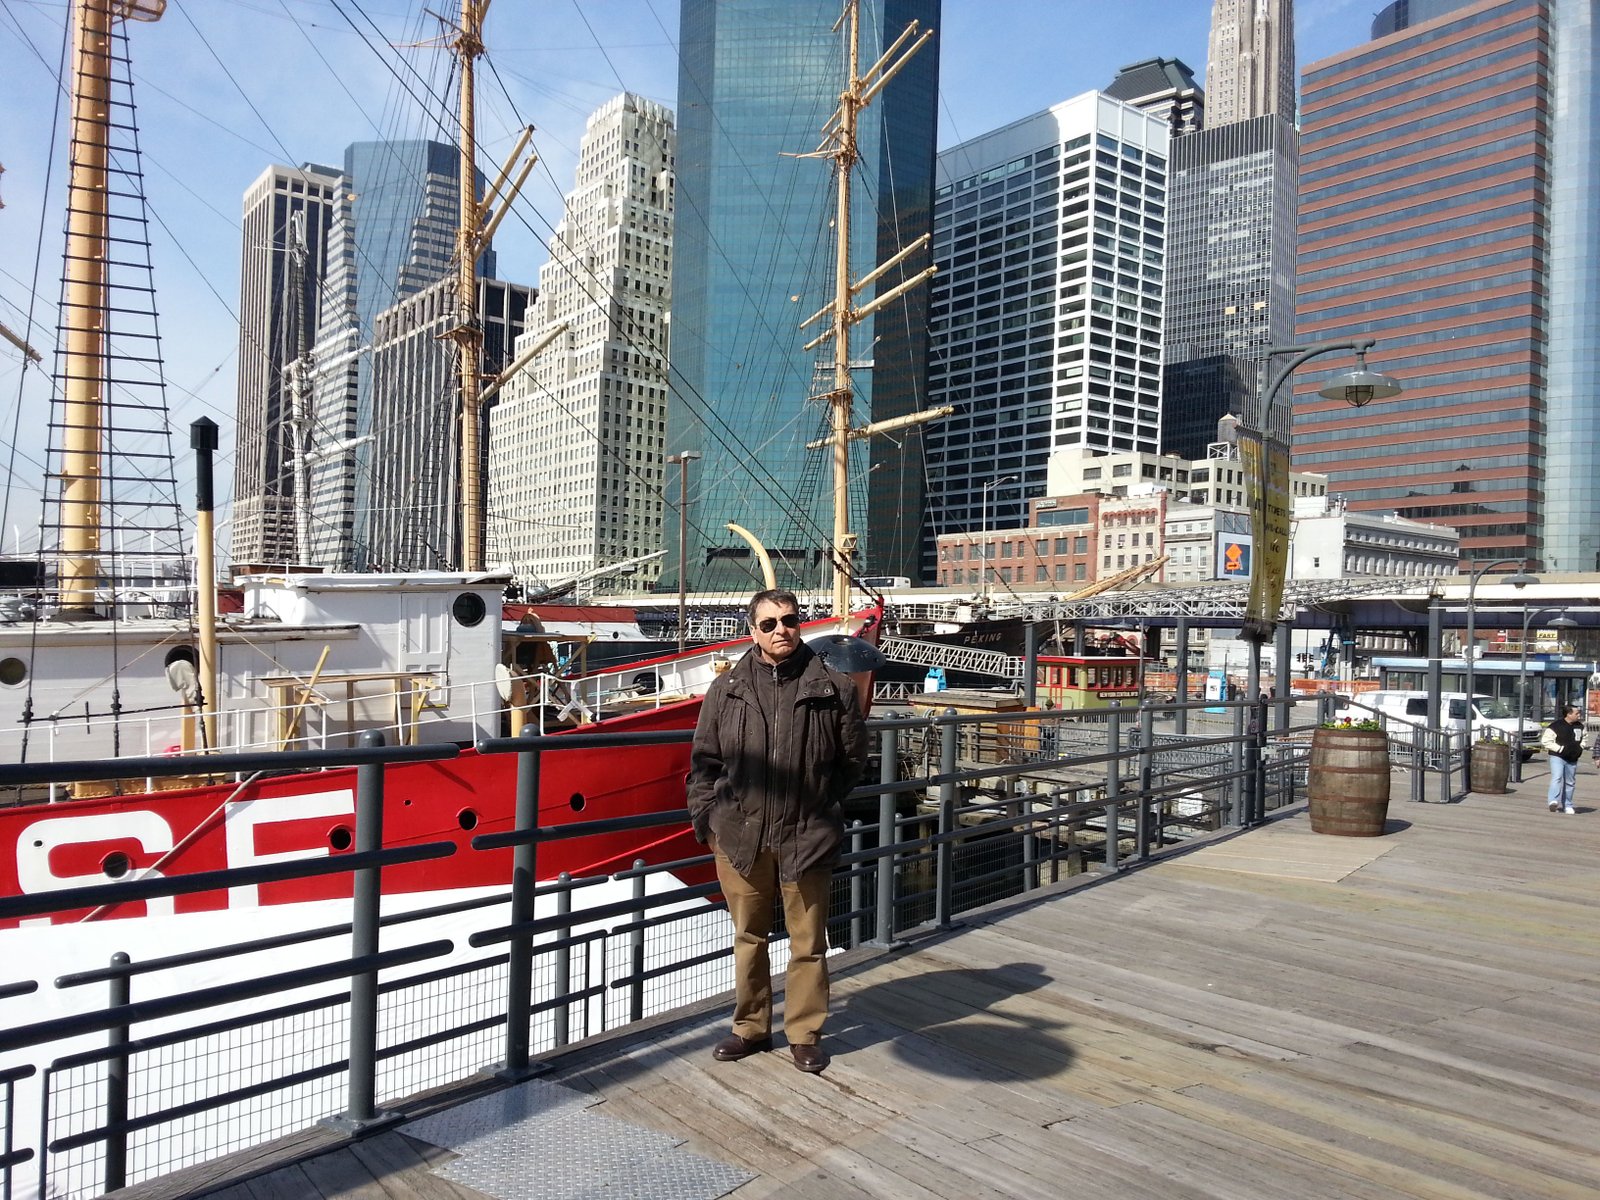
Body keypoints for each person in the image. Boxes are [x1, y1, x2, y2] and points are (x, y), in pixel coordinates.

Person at [686, 588, 867, 1074]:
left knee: (808, 944)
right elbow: (704, 763)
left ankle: (804, 1033)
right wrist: (709, 824)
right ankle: (750, 1027)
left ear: (799, 624)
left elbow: (851, 762)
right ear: (753, 631)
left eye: (788, 620)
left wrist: (822, 808)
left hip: (806, 836)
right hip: (739, 835)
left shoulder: (833, 688)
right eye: (768, 624)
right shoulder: (726, 689)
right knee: (749, 936)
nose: (780, 630)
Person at [1539, 703, 1585, 814]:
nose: (1579, 715)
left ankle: (1567, 805)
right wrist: (1560, 749)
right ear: (1569, 714)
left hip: (1573, 757)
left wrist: (1580, 747)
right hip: (1557, 756)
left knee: (1570, 782)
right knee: (1557, 777)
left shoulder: (1580, 726)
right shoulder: (1555, 726)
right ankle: (1553, 801)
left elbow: (1584, 738)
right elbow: (1546, 741)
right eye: (1577, 713)